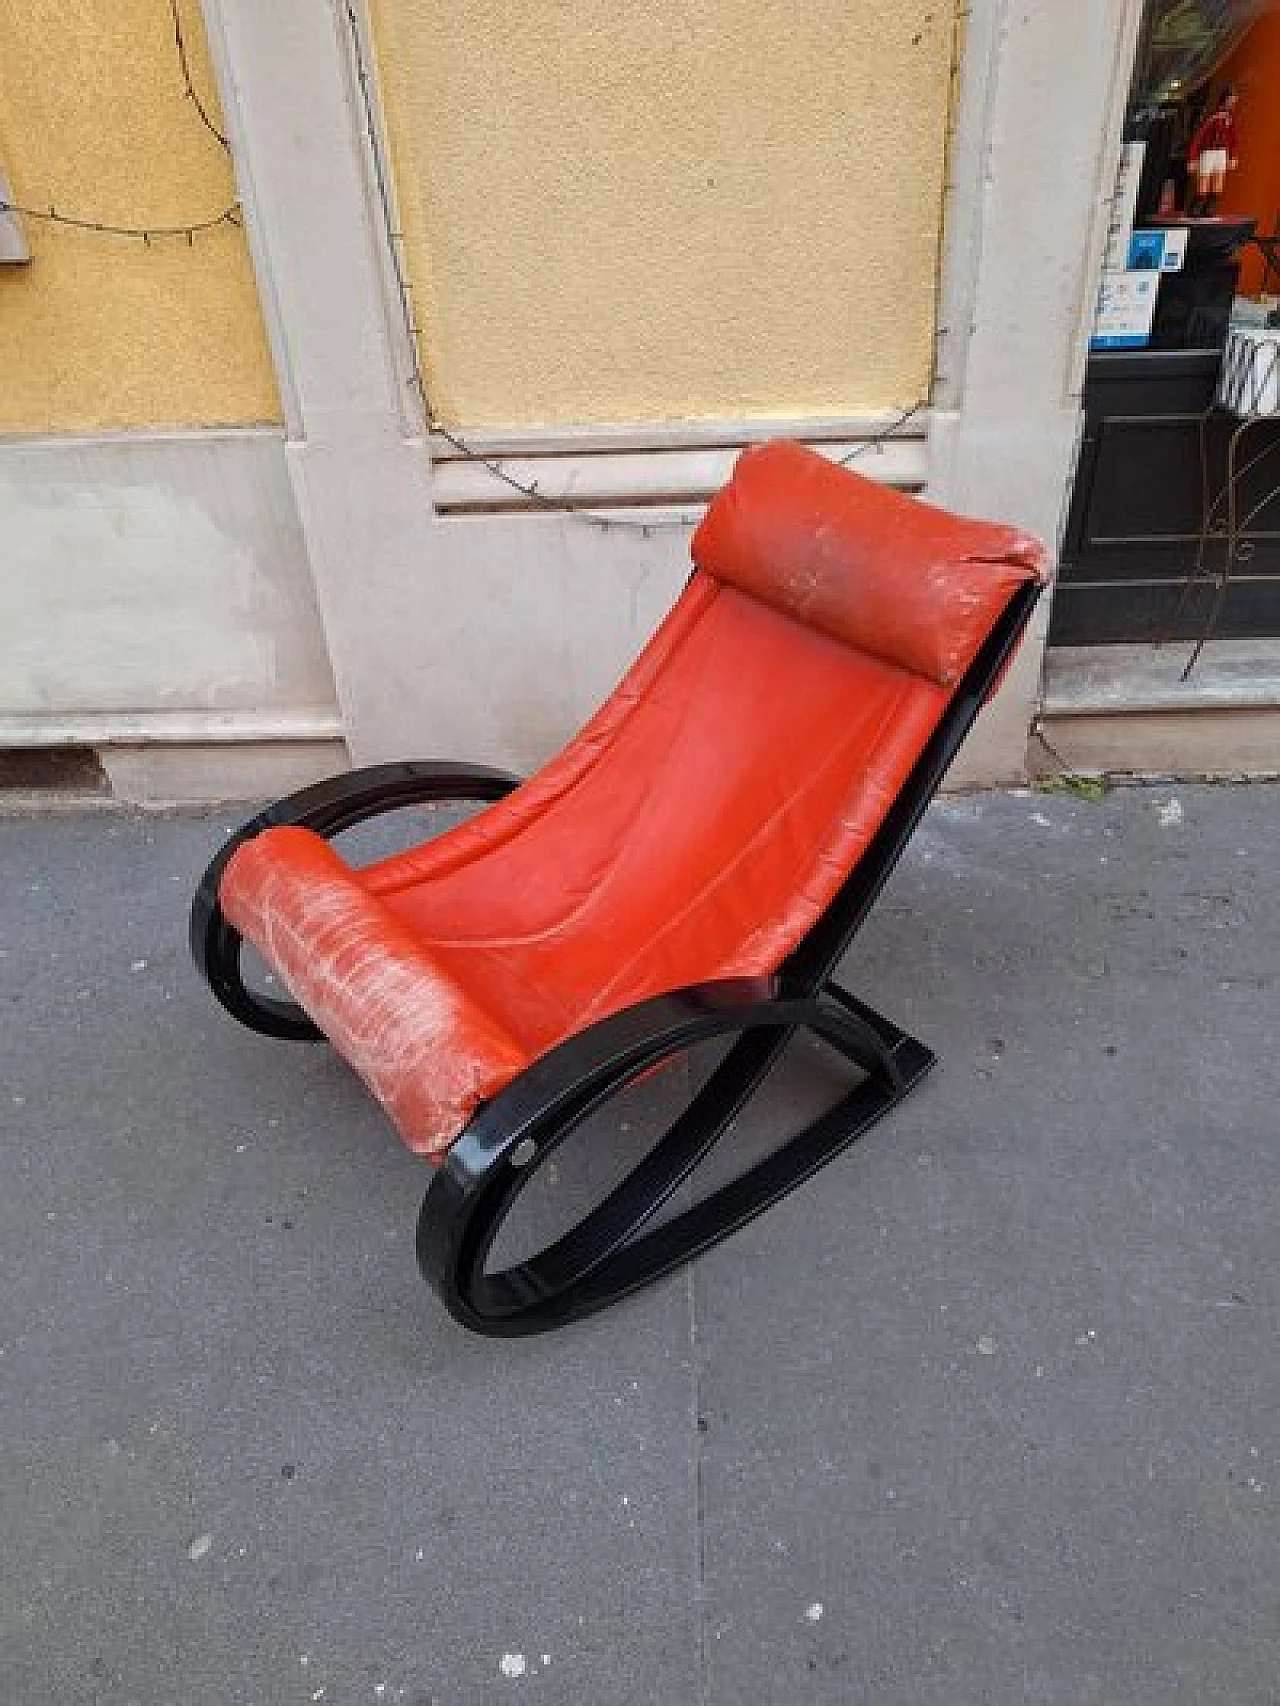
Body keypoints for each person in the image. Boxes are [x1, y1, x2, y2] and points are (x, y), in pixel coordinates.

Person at [1188, 86, 1240, 215]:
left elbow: (1233, 139)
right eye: (1231, 101)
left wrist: (1233, 156)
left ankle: (1209, 208)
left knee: (1218, 179)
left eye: (1234, 102)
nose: (1232, 104)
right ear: (1225, 100)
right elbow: (1198, 137)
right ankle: (1197, 207)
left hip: (1221, 152)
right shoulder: (1212, 118)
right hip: (1208, 151)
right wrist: (1193, 158)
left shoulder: (1229, 119)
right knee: (1204, 179)